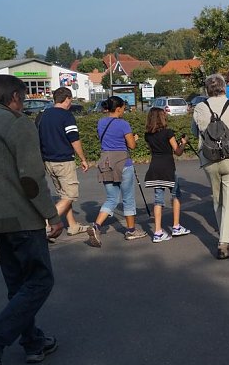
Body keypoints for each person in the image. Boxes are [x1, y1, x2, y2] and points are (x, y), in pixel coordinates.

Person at [0, 75, 61, 365]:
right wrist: (52, 216)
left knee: (17, 286)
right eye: (24, 98)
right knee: (40, 281)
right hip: (23, 219)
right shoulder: (18, 124)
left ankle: (33, 342)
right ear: (14, 96)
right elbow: (31, 179)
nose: (24, 103)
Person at [193, 73, 229, 259]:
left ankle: (223, 234)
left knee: (218, 199)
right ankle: (225, 242)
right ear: (224, 87)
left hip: (209, 158)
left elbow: (195, 132)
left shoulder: (200, 107)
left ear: (207, 89)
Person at [86, 96, 147, 247]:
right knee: (128, 198)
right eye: (123, 108)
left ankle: (96, 226)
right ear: (118, 108)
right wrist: (134, 138)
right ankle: (131, 230)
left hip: (105, 162)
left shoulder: (101, 122)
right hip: (122, 163)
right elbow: (131, 145)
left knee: (112, 198)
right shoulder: (123, 124)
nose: (124, 111)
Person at [37, 86, 90, 237]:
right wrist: (83, 159)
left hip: (48, 161)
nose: (70, 104)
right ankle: (47, 224)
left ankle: (72, 225)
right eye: (70, 100)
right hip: (64, 160)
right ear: (67, 99)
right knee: (70, 195)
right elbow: (74, 139)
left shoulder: (42, 115)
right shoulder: (66, 116)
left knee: (63, 194)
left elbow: (37, 138)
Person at [143, 108, 191, 242]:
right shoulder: (168, 133)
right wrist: (183, 143)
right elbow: (177, 151)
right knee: (176, 194)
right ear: (161, 117)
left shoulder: (147, 135)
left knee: (158, 199)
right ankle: (176, 226)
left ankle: (157, 232)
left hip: (154, 168)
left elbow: (153, 149)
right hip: (168, 168)